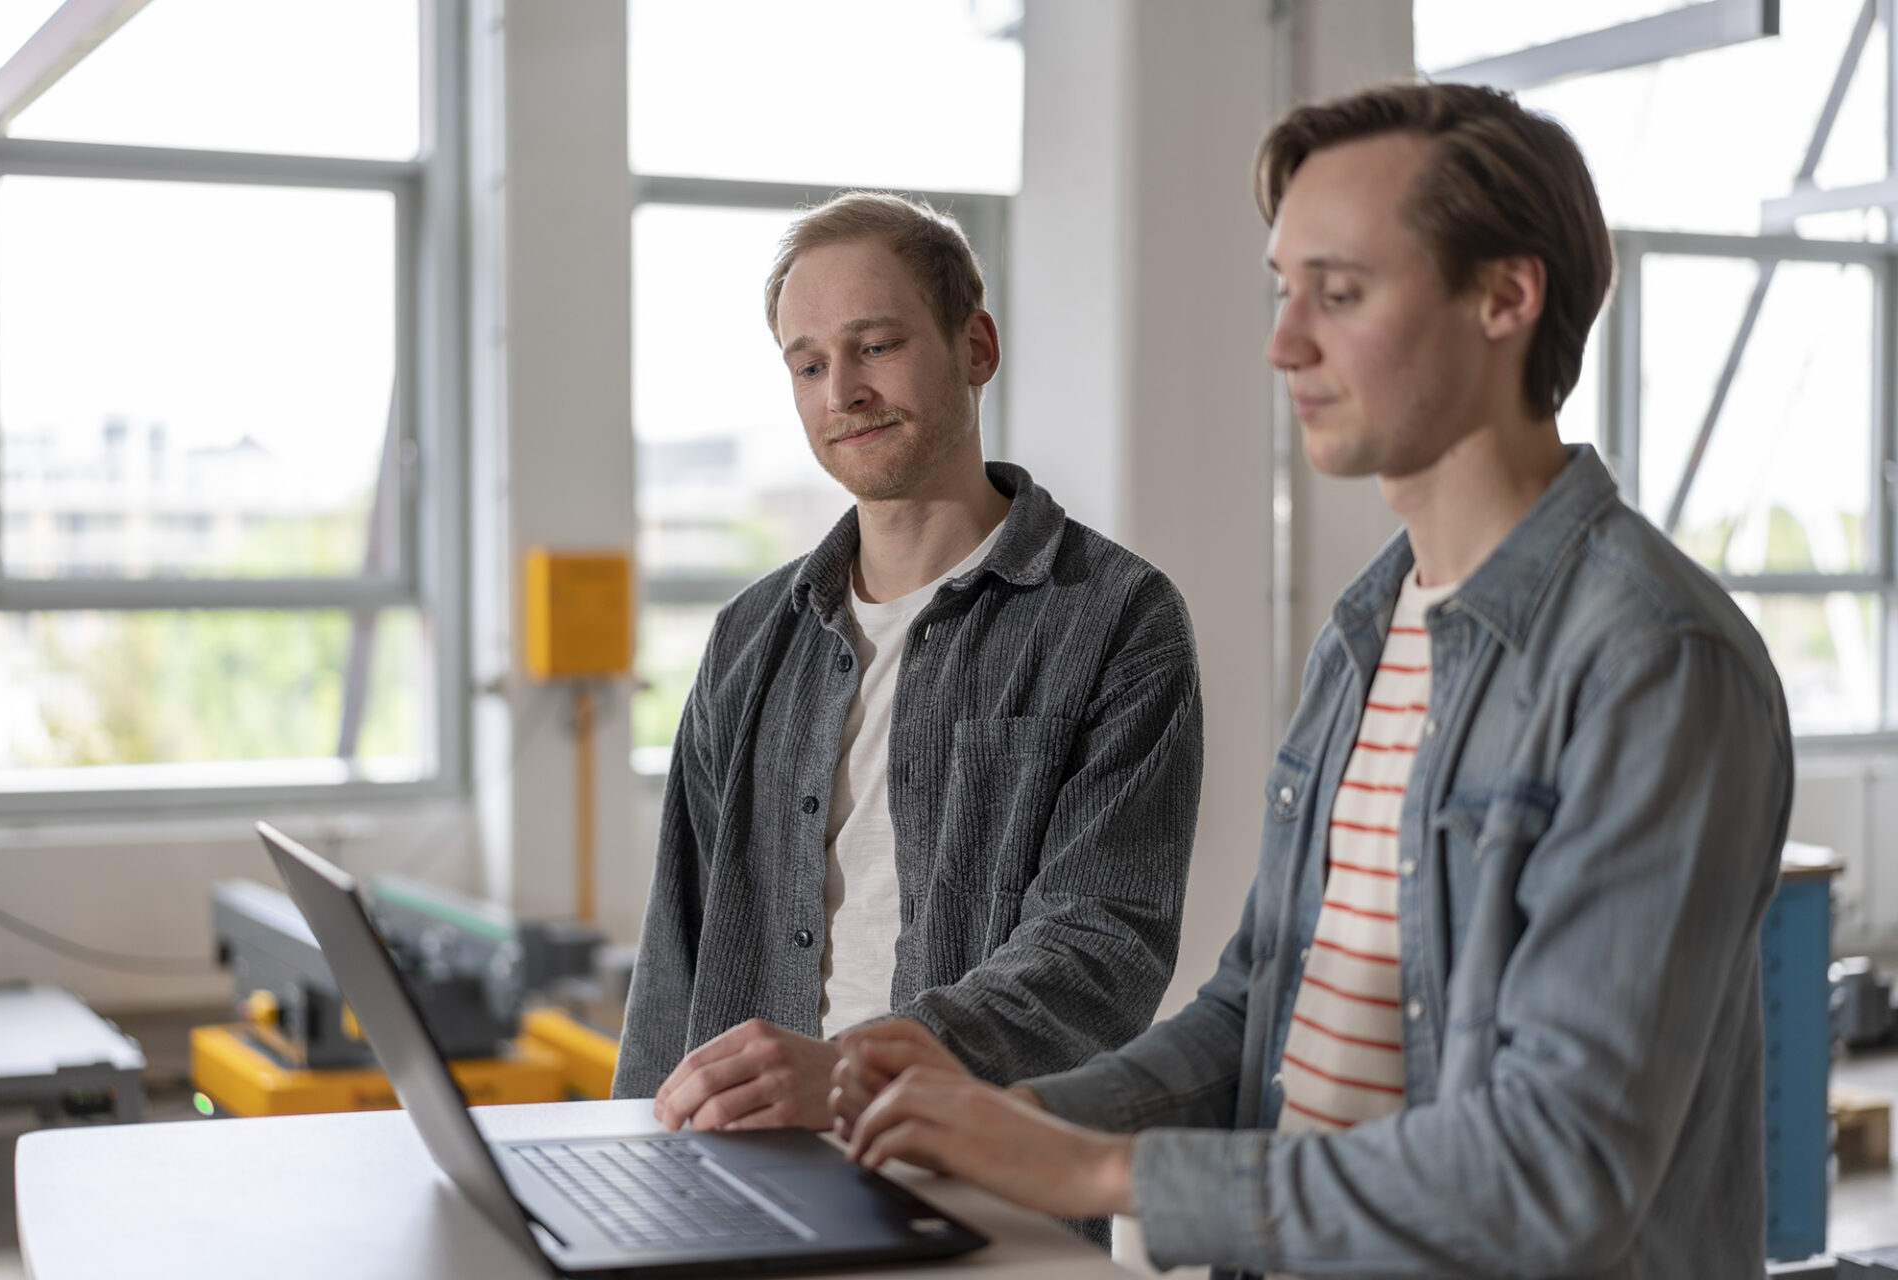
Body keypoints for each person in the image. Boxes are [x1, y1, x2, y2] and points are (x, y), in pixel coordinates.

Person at [833, 83, 1794, 1278]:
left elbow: (1564, 1167)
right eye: (1284, 290)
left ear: (1505, 295)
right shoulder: (1371, 623)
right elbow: (1257, 1013)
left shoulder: (1652, 658)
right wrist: (1023, 1122)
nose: (1284, 342)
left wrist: (1098, 1173)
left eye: (1337, 294)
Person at [613, 192, 1205, 1151]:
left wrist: (854, 1072)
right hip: (742, 1166)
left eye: (876, 346)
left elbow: (1103, 948)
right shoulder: (751, 636)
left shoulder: (1116, 619)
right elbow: (675, 952)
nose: (840, 390)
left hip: (976, 1178)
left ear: (976, 348)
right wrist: (631, 1165)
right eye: (808, 363)